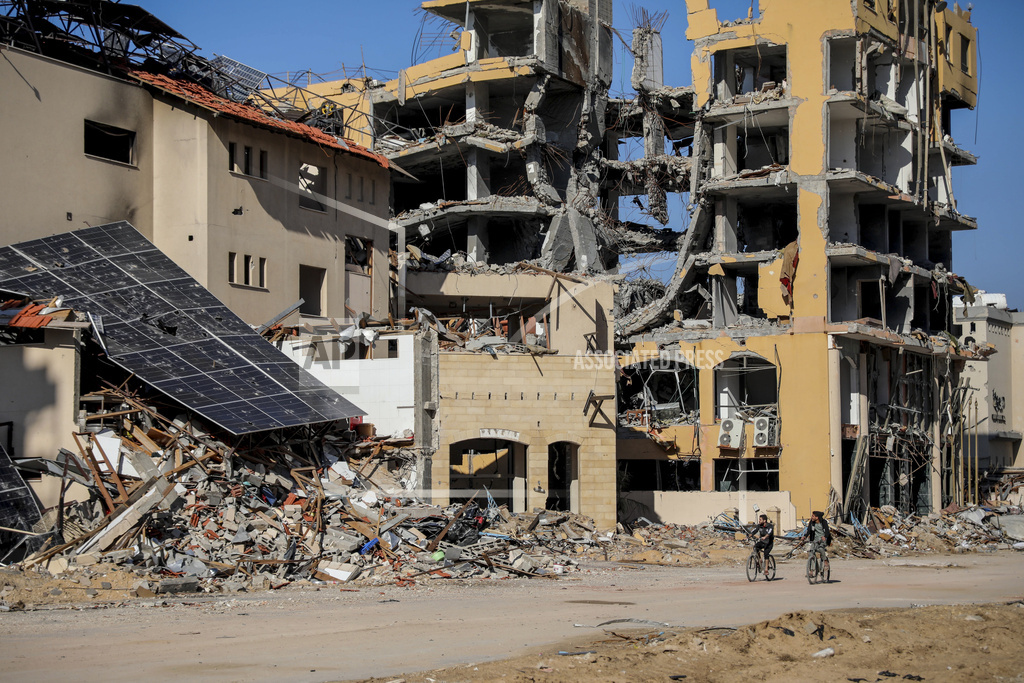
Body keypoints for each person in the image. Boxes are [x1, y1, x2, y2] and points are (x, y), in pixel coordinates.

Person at [800, 510, 832, 575]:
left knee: (821, 549)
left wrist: (825, 537)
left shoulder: (823, 522)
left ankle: (825, 561)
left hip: (823, 540)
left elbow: (827, 532)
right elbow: (808, 531)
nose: (812, 517)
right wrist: (804, 537)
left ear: (817, 517)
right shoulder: (812, 523)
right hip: (815, 540)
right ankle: (811, 571)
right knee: (811, 553)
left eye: (813, 516)